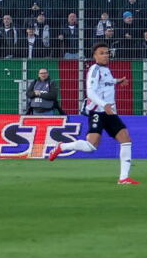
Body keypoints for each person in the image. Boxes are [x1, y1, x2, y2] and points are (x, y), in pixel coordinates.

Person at [45, 42, 137, 184]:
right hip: (97, 112)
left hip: (109, 112)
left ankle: (124, 178)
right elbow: (90, 92)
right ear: (95, 56)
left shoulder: (105, 69)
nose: (106, 55)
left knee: (126, 140)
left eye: (107, 52)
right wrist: (104, 104)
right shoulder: (94, 69)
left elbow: (106, 82)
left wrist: (118, 81)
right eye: (102, 53)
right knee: (91, 146)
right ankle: (61, 147)